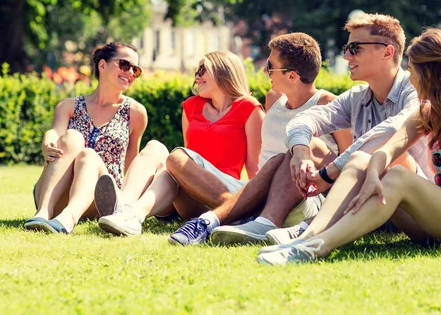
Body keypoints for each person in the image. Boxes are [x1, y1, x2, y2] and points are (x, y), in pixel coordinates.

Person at [257, 28, 441, 265]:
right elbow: (389, 148)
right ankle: (307, 237)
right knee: (367, 160)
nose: (409, 76)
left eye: (412, 68)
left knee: (398, 178)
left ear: (431, 72)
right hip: (435, 218)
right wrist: (373, 171)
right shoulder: (428, 111)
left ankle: (314, 248)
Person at [208, 13, 430, 246]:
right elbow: (304, 120)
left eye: (355, 48)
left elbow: (392, 132)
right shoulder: (357, 98)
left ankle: (305, 228)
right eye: (346, 47)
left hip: (417, 209)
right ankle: (266, 222)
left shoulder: (415, 91)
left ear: (387, 52)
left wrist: (330, 172)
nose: (346, 56)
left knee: (387, 154)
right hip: (371, 202)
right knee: (305, 146)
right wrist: (301, 153)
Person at [167, 32, 352, 245]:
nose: (265, 71)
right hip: (255, 192)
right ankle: (244, 213)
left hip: (300, 199)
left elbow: (348, 166)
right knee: (176, 158)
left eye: (270, 66)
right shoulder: (273, 99)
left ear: (292, 76)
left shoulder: (328, 104)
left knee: (298, 148)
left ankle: (222, 218)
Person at [97, 51, 265, 238]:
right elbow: (189, 159)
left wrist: (257, 211)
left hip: (217, 196)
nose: (197, 76)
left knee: (174, 162)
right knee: (155, 147)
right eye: (196, 71)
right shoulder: (192, 107)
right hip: (185, 193)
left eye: (202, 69)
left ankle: (132, 215)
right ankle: (124, 207)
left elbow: (256, 170)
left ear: (222, 70)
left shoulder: (249, 108)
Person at [24, 42, 150, 234]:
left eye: (136, 69)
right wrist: (47, 142)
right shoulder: (68, 106)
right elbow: (55, 133)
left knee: (88, 156)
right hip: (57, 193)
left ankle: (68, 219)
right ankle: (42, 213)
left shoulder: (136, 113)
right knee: (72, 137)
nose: (130, 72)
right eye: (125, 65)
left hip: (99, 200)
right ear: (102, 65)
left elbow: (130, 163)